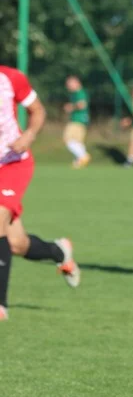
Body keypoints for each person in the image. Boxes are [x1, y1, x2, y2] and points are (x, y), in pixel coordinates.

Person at [0, 65, 81, 320]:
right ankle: (58, 251)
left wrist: (30, 135)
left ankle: (0, 305)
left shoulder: (11, 78)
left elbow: (37, 110)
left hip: (13, 162)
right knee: (16, 243)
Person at [63, 75, 91, 169]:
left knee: (68, 139)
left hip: (77, 120)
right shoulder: (77, 93)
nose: (68, 86)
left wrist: (71, 107)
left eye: (69, 84)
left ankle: (83, 156)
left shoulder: (80, 93)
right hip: (81, 120)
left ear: (76, 83)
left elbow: (82, 105)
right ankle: (80, 160)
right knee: (77, 142)